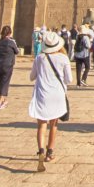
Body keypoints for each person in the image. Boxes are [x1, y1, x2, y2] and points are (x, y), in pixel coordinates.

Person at [29, 30, 71, 171]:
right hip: (57, 94)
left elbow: (32, 77)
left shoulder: (39, 58)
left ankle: (41, 150)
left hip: (42, 94)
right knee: (54, 124)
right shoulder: (63, 58)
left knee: (41, 125)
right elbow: (69, 79)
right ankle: (50, 152)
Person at [0, 25, 18, 109]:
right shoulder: (11, 42)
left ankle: (4, 100)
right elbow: (16, 51)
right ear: (10, 33)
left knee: (0, 82)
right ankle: (0, 103)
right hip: (7, 64)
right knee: (5, 82)